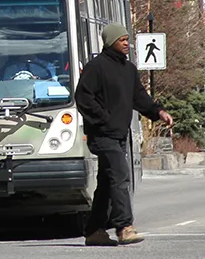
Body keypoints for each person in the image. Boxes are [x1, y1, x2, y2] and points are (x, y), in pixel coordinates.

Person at [74, 24, 173, 247]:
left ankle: (94, 231)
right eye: (122, 40)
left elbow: (140, 97)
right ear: (110, 42)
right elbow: (83, 97)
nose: (127, 43)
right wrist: (103, 118)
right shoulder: (96, 67)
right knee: (120, 176)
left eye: (128, 39)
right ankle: (124, 227)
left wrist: (159, 112)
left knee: (108, 183)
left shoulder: (128, 69)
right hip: (101, 136)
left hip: (119, 135)